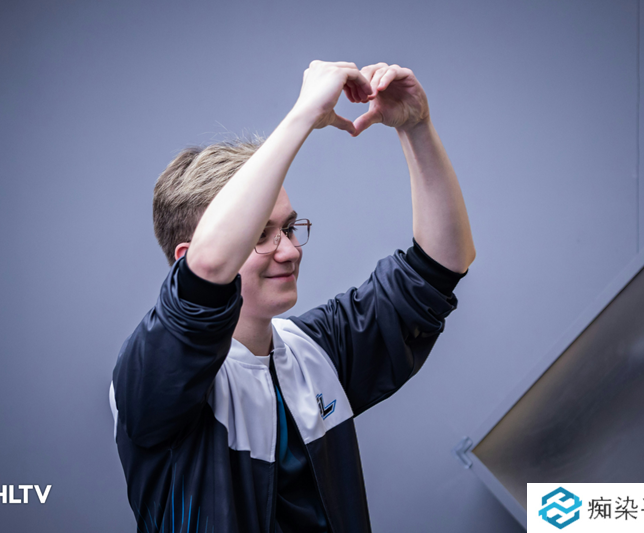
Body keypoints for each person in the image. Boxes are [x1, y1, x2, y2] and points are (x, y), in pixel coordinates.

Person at [109, 60, 475, 533]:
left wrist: (417, 127)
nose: (289, 250)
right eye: (259, 235)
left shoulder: (316, 349)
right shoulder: (153, 373)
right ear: (185, 259)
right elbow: (208, 271)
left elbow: (440, 267)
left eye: (287, 227)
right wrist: (303, 114)